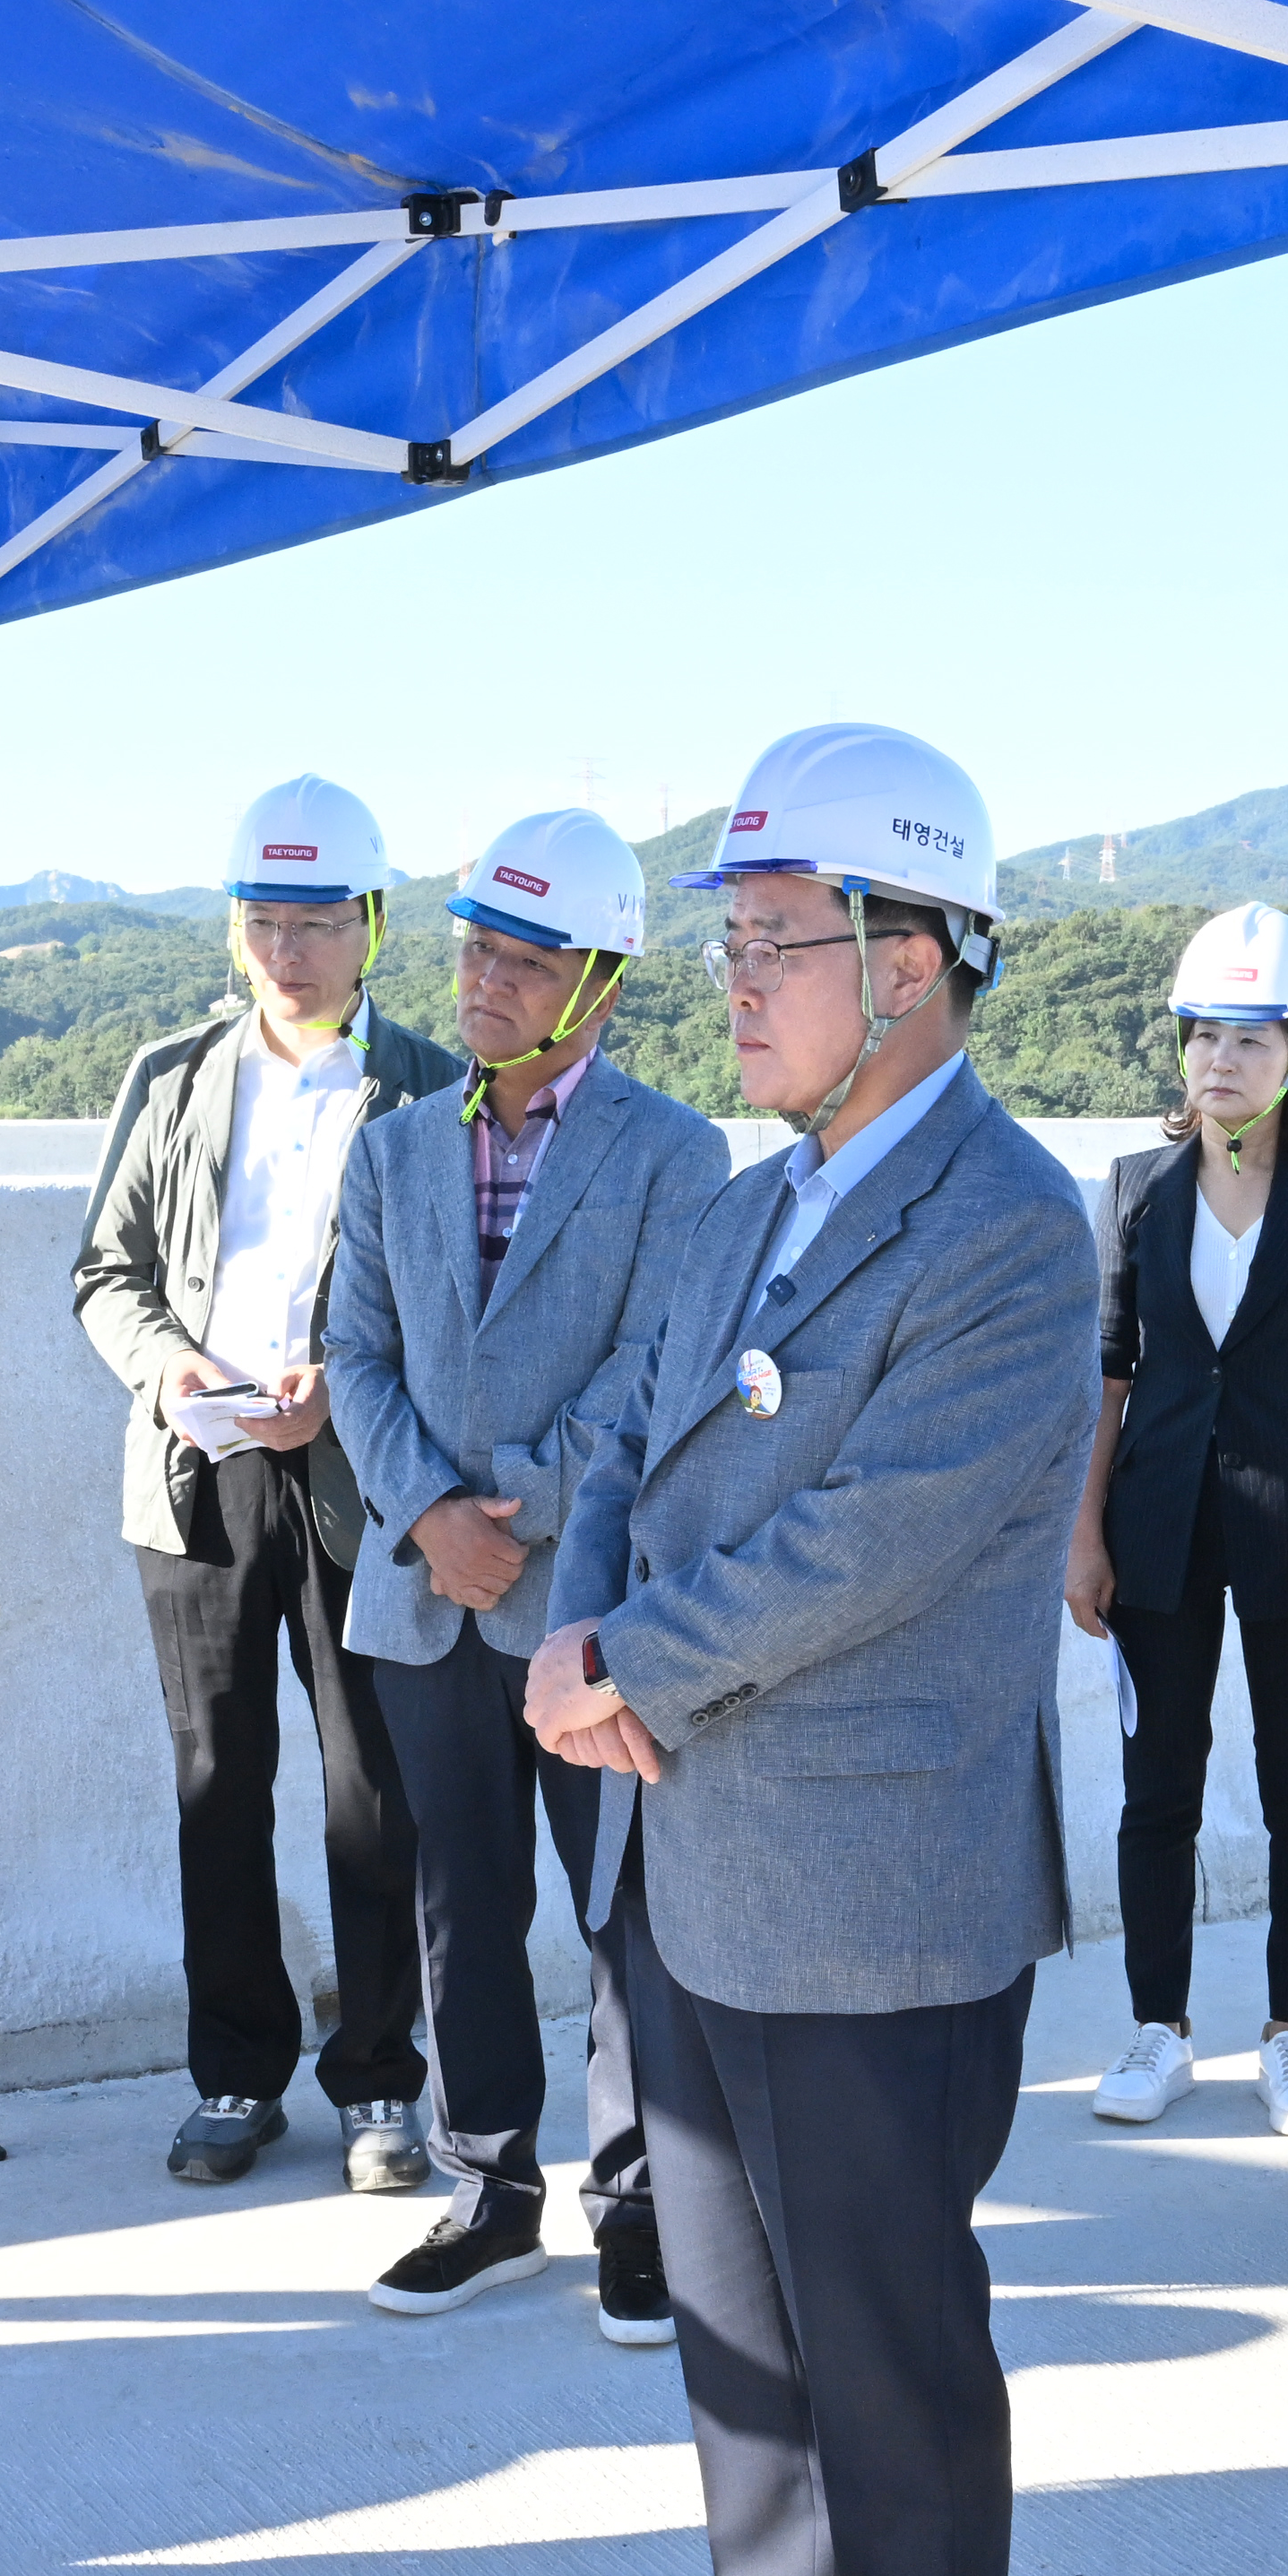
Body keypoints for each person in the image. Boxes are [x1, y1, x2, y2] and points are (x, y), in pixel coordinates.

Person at [532, 721, 1096, 2576]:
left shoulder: (1013, 1230)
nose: (736, 984)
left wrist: (634, 1665)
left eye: (779, 944)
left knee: (885, 2330)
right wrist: (583, 1620)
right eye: (733, 945)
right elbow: (618, 1439)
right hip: (687, 1852)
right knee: (739, 2309)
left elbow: (875, 1540)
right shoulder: (746, 1206)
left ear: (921, 960)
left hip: (870, 1879)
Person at [319, 807, 725, 2338]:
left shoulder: (675, 1155)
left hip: (586, 1600)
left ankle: (639, 2203)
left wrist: (523, 1516)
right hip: (426, 1597)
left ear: (597, 982)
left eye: (521, 954)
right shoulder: (395, 1148)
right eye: (475, 945)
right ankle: (491, 2189)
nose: (483, 976)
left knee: (621, 1904)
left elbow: (655, 1366)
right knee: (457, 1899)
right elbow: (352, 1352)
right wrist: (432, 1517)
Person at [71, 779, 466, 2190]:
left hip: (357, 1475)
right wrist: (173, 1370)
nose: (286, 949)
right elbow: (102, 1270)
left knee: (374, 1786)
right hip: (195, 1474)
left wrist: (336, 1394)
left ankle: (376, 2081)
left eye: (314, 921)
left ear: (370, 926)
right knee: (215, 1780)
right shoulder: (171, 1074)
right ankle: (236, 2075)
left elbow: (459, 1301)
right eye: (262, 920)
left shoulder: (428, 1084)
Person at [1073, 905, 1288, 2141]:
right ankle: (1160, 2030)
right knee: (1160, 1786)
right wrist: (1083, 1532)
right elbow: (1109, 1374)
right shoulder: (1137, 1190)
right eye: (1204, 1034)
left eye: (1252, 1040)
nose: (1221, 1061)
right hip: (1156, 1529)